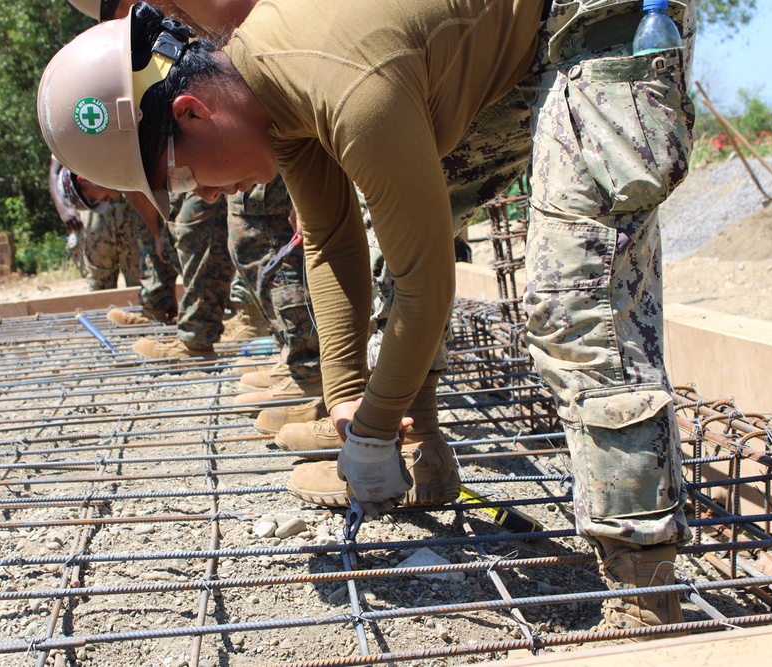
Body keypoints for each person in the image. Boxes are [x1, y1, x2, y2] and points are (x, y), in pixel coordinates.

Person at [38, 0, 697, 633]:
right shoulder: (270, 94)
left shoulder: (344, 86)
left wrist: (375, 424)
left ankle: (646, 593)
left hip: (596, 14)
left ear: (193, 109)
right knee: (395, 239)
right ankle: (423, 450)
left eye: (182, 179)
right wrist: (347, 396)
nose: (204, 196)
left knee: (575, 295)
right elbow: (331, 241)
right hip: (515, 40)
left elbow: (429, 284)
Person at [67, 0, 323, 405]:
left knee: (258, 231)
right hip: (244, 122)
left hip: (250, 121)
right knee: (239, 231)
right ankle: (307, 366)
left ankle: (320, 376)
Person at [48, 157, 179, 323]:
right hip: (98, 213)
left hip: (132, 205)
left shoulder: (122, 173)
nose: (104, 200)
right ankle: (107, 321)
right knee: (100, 278)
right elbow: (54, 169)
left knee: (141, 270)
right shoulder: (71, 145)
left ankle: (151, 315)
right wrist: (63, 209)